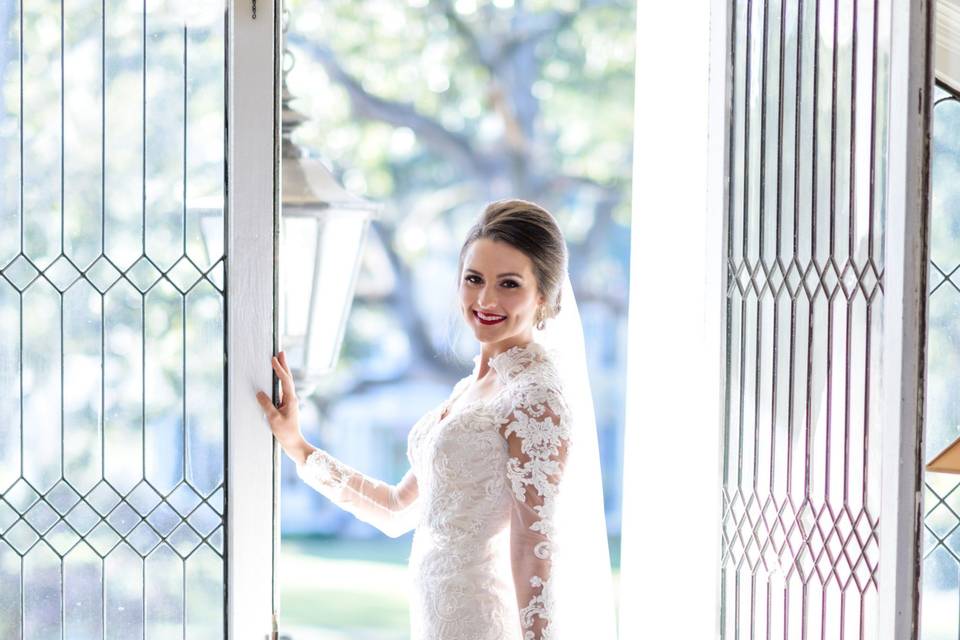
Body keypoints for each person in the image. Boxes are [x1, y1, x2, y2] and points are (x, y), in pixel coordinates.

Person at [256, 199, 616, 640]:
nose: (486, 299)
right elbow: (394, 508)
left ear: (543, 295)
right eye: (474, 279)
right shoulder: (471, 388)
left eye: (508, 284)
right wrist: (298, 447)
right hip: (435, 619)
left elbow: (532, 547)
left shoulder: (535, 398)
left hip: (481, 624)